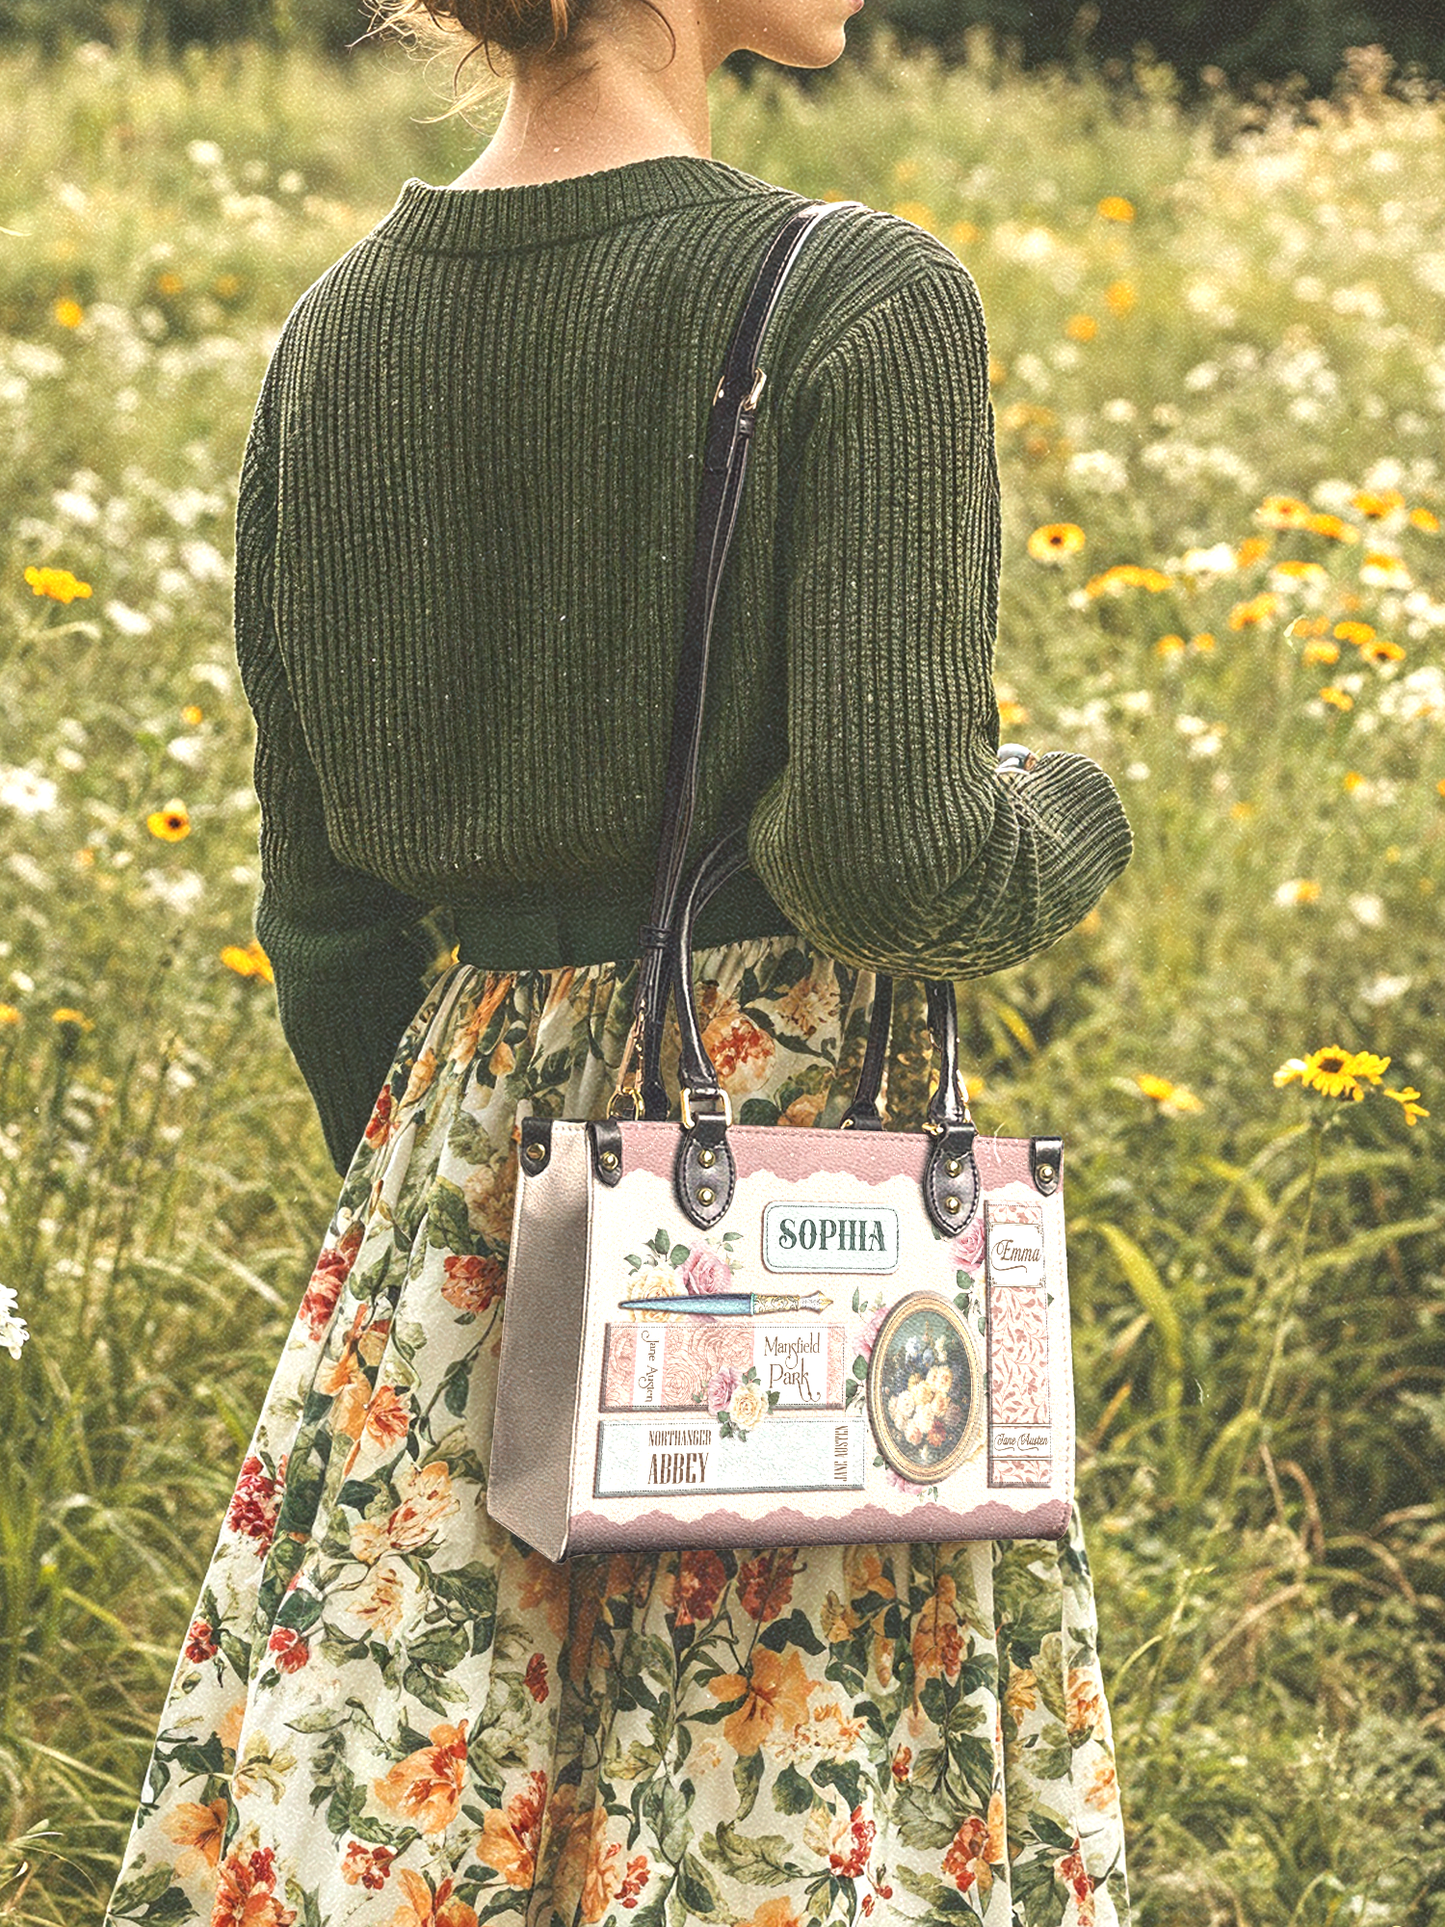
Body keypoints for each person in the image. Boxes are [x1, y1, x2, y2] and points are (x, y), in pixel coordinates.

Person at [105, 0, 1135, 1921]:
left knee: (432, 1807)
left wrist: (470, 1243)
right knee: (778, 1811)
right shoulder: (860, 302)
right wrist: (1073, 812)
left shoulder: (334, 334)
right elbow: (889, 851)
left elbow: (324, 921)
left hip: (454, 1213)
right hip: (776, 1216)